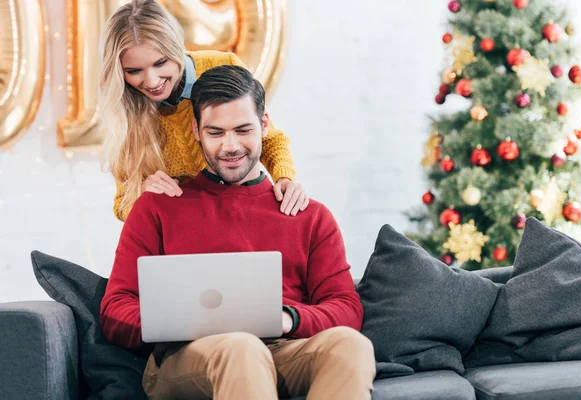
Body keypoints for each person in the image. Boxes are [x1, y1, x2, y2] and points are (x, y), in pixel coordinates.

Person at [100, 65, 376, 400]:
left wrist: (288, 318)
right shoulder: (158, 208)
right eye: (215, 133)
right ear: (196, 131)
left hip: (281, 349)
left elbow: (346, 307)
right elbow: (115, 309)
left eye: (243, 130)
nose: (230, 146)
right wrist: (177, 319)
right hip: (187, 358)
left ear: (263, 126)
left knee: (351, 345)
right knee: (241, 348)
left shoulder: (309, 215)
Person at [99, 0, 308, 221]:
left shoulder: (222, 65)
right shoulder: (126, 113)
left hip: (239, 216)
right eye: (134, 71)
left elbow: (267, 138)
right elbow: (122, 207)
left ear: (176, 48)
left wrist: (285, 178)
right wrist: (141, 197)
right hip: (182, 231)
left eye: (160, 63)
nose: (151, 81)